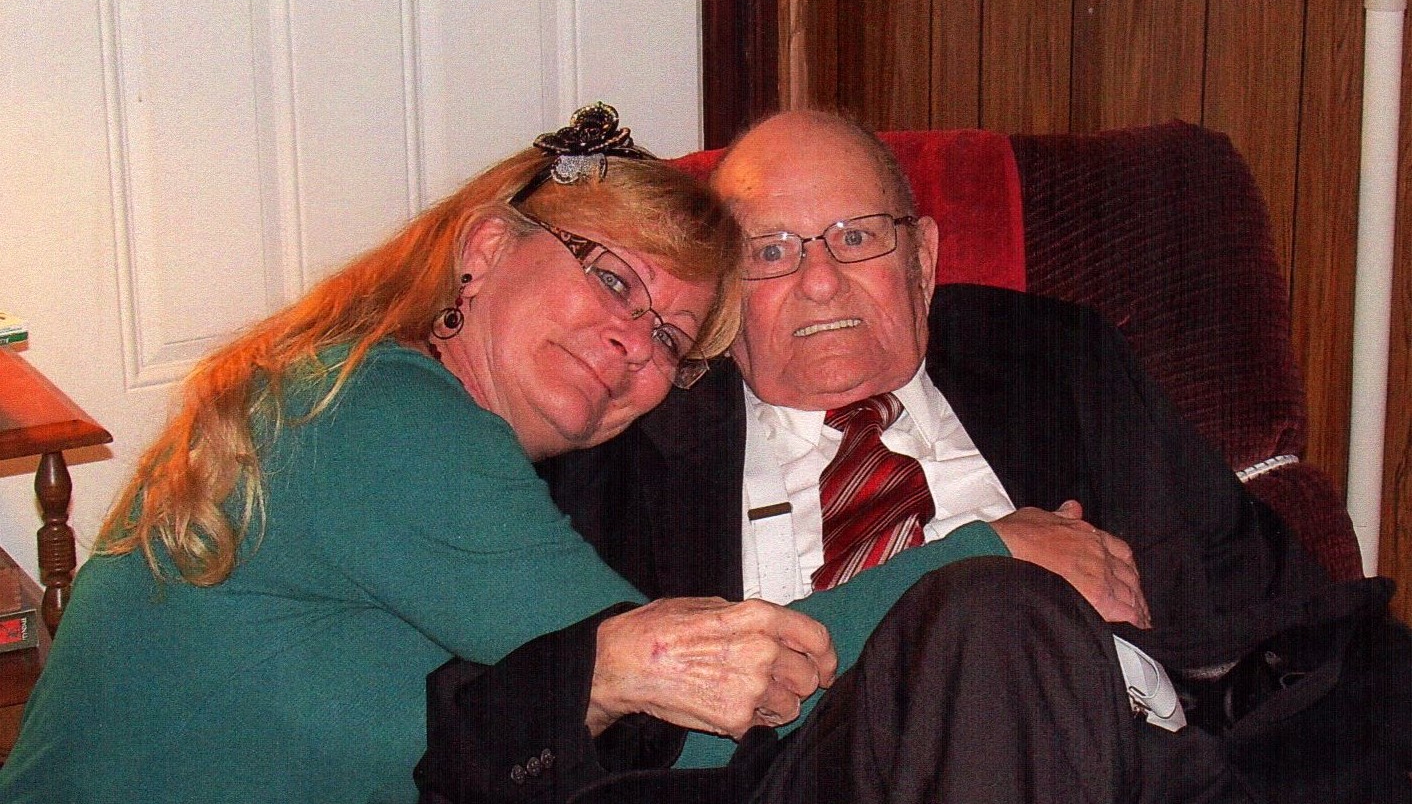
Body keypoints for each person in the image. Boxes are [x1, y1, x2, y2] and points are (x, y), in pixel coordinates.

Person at [525, 110, 1411, 802]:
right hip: (809, 777)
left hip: (1137, 759)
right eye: (771, 251)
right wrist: (990, 564)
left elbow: (1269, 598)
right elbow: (573, 722)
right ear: (723, 297)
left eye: (857, 236)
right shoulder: (637, 446)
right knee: (993, 615)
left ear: (923, 259)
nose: (820, 280)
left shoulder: (1055, 360)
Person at [0, 103, 862, 804]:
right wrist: (948, 575)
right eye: (612, 279)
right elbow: (688, 723)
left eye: (670, 336)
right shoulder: (389, 418)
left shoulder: (360, 391)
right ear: (485, 249)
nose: (635, 342)